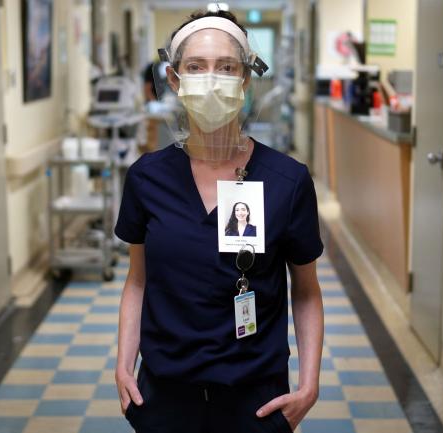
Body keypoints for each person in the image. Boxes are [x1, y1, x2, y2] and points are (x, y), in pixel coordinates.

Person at [114, 9, 324, 433]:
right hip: (165, 395)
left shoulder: (287, 180)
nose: (211, 79)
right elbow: (138, 280)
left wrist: (309, 384)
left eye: (226, 67)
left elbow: (305, 290)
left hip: (256, 398)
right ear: (174, 79)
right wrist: (123, 365)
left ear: (245, 78)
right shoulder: (147, 178)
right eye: (196, 67)